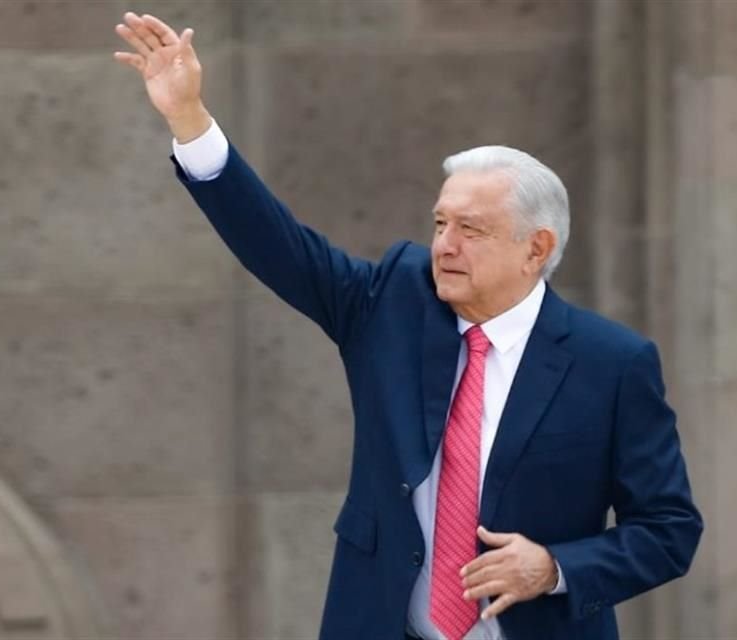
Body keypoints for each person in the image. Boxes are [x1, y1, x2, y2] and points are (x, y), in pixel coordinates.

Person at [113, 12, 703, 640]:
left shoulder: (610, 363)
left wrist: (555, 567)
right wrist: (189, 121)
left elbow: (668, 530)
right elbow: (277, 244)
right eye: (440, 222)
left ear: (537, 249)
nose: (445, 245)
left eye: (470, 230)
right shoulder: (392, 300)